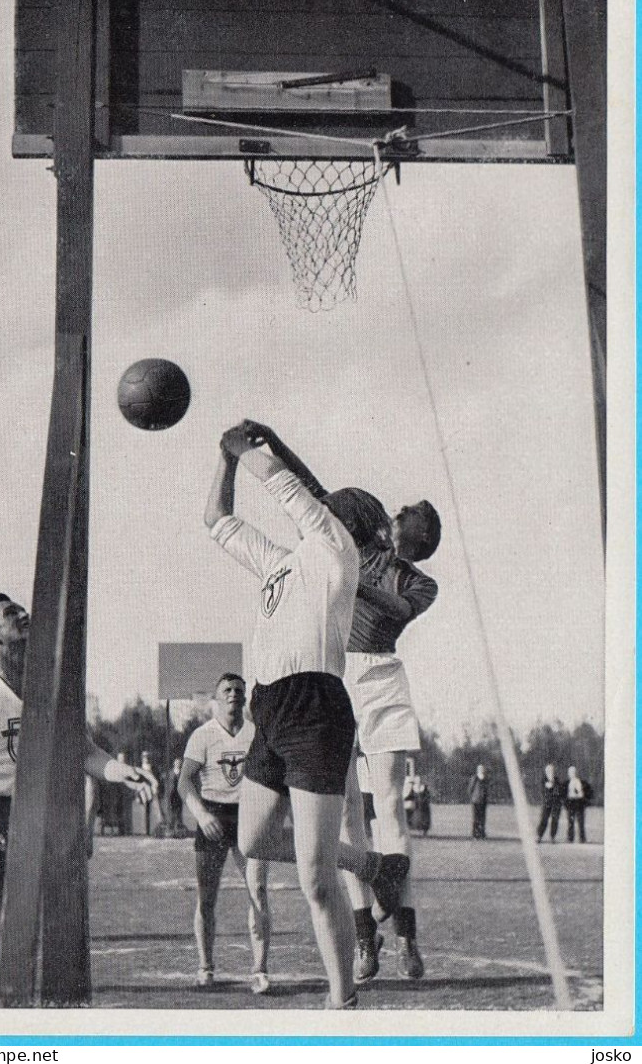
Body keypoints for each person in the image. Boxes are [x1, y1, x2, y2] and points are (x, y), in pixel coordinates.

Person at [205, 423, 408, 1010]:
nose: (315, 509)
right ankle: (375, 865)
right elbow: (216, 521)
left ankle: (342, 1001)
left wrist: (247, 450)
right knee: (254, 839)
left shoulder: (336, 549)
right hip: (269, 706)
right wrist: (224, 460)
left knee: (316, 880)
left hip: (317, 708)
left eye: (326, 508)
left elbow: (289, 489)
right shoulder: (283, 560)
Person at [237, 420, 440, 984]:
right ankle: (366, 936)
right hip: (336, 676)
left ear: (418, 534)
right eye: (396, 509)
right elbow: (312, 489)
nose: (398, 510)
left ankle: (406, 937)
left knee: (391, 806)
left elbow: (397, 610)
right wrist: (273, 442)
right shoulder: (345, 537)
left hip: (383, 682)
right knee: (347, 816)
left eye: (409, 511)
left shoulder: (419, 582)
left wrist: (347, 564)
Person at [0, 593, 150, 1008]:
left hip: (16, 815)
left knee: (3, 947)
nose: (25, 614)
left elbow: (84, 751)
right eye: (11, 614)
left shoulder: (50, 688)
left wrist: (121, 771)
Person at [179, 673, 270, 993]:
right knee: (207, 897)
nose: (234, 694)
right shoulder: (202, 735)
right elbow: (184, 781)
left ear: (245, 698)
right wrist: (201, 815)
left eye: (239, 691)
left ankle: (259, 969)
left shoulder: (257, 734)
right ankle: (206, 967)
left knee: (257, 893)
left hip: (249, 817)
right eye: (227, 690)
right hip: (214, 817)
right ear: (216, 699)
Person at [536, 763, 564, 843]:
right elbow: (543, 791)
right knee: (544, 819)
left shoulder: (557, 780)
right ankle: (539, 836)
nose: (550, 771)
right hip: (547, 803)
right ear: (546, 771)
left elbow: (558, 791)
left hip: (556, 804)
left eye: (552, 770)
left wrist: (553, 786)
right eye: (548, 770)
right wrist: (551, 788)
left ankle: (553, 837)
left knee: (555, 820)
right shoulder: (543, 780)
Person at [564, 765, 592, 843]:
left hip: (579, 803)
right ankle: (570, 838)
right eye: (571, 772)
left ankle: (582, 838)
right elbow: (563, 794)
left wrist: (585, 801)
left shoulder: (582, 782)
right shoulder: (566, 783)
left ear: (576, 773)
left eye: (574, 772)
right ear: (568, 773)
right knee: (570, 822)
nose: (572, 774)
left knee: (581, 822)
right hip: (570, 803)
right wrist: (566, 803)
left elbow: (588, 793)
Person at [468, 764, 489, 839]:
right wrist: (472, 797)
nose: (482, 770)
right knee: (476, 818)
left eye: (483, 769)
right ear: (478, 770)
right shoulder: (475, 778)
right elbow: (470, 789)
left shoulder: (486, 778)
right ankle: (475, 834)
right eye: (481, 769)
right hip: (476, 801)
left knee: (482, 818)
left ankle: (482, 833)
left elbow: (487, 789)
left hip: (483, 801)